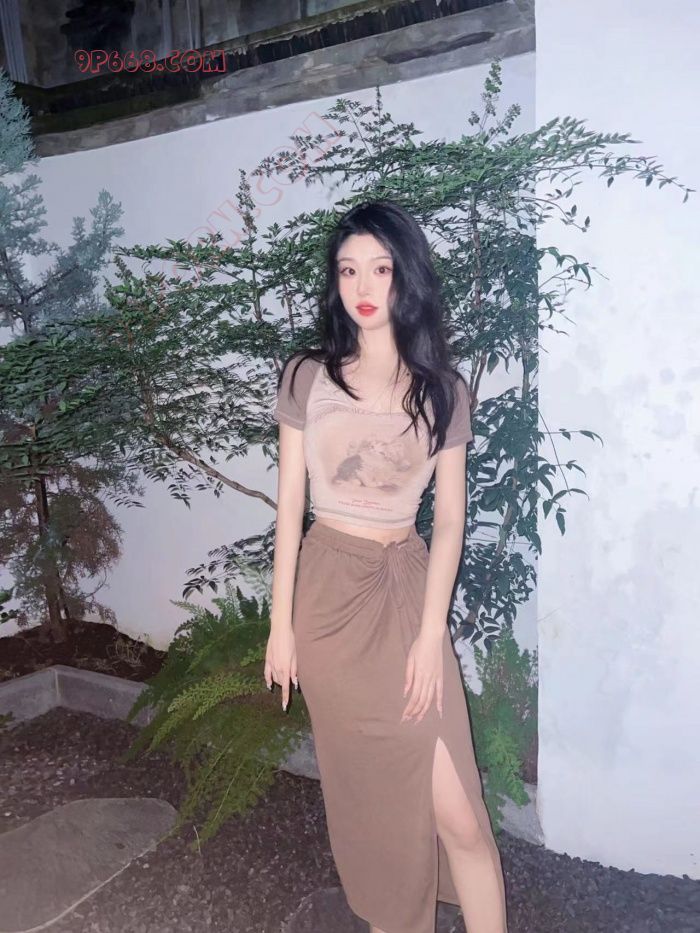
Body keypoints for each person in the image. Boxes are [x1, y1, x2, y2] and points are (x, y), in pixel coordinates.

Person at [266, 200, 508, 933]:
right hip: (329, 600)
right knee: (377, 818)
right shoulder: (307, 376)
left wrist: (432, 634)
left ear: (407, 277)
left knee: (460, 815)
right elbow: (289, 507)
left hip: (407, 591)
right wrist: (280, 626)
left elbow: (451, 518)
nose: (363, 286)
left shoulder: (444, 389)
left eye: (379, 268)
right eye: (348, 271)